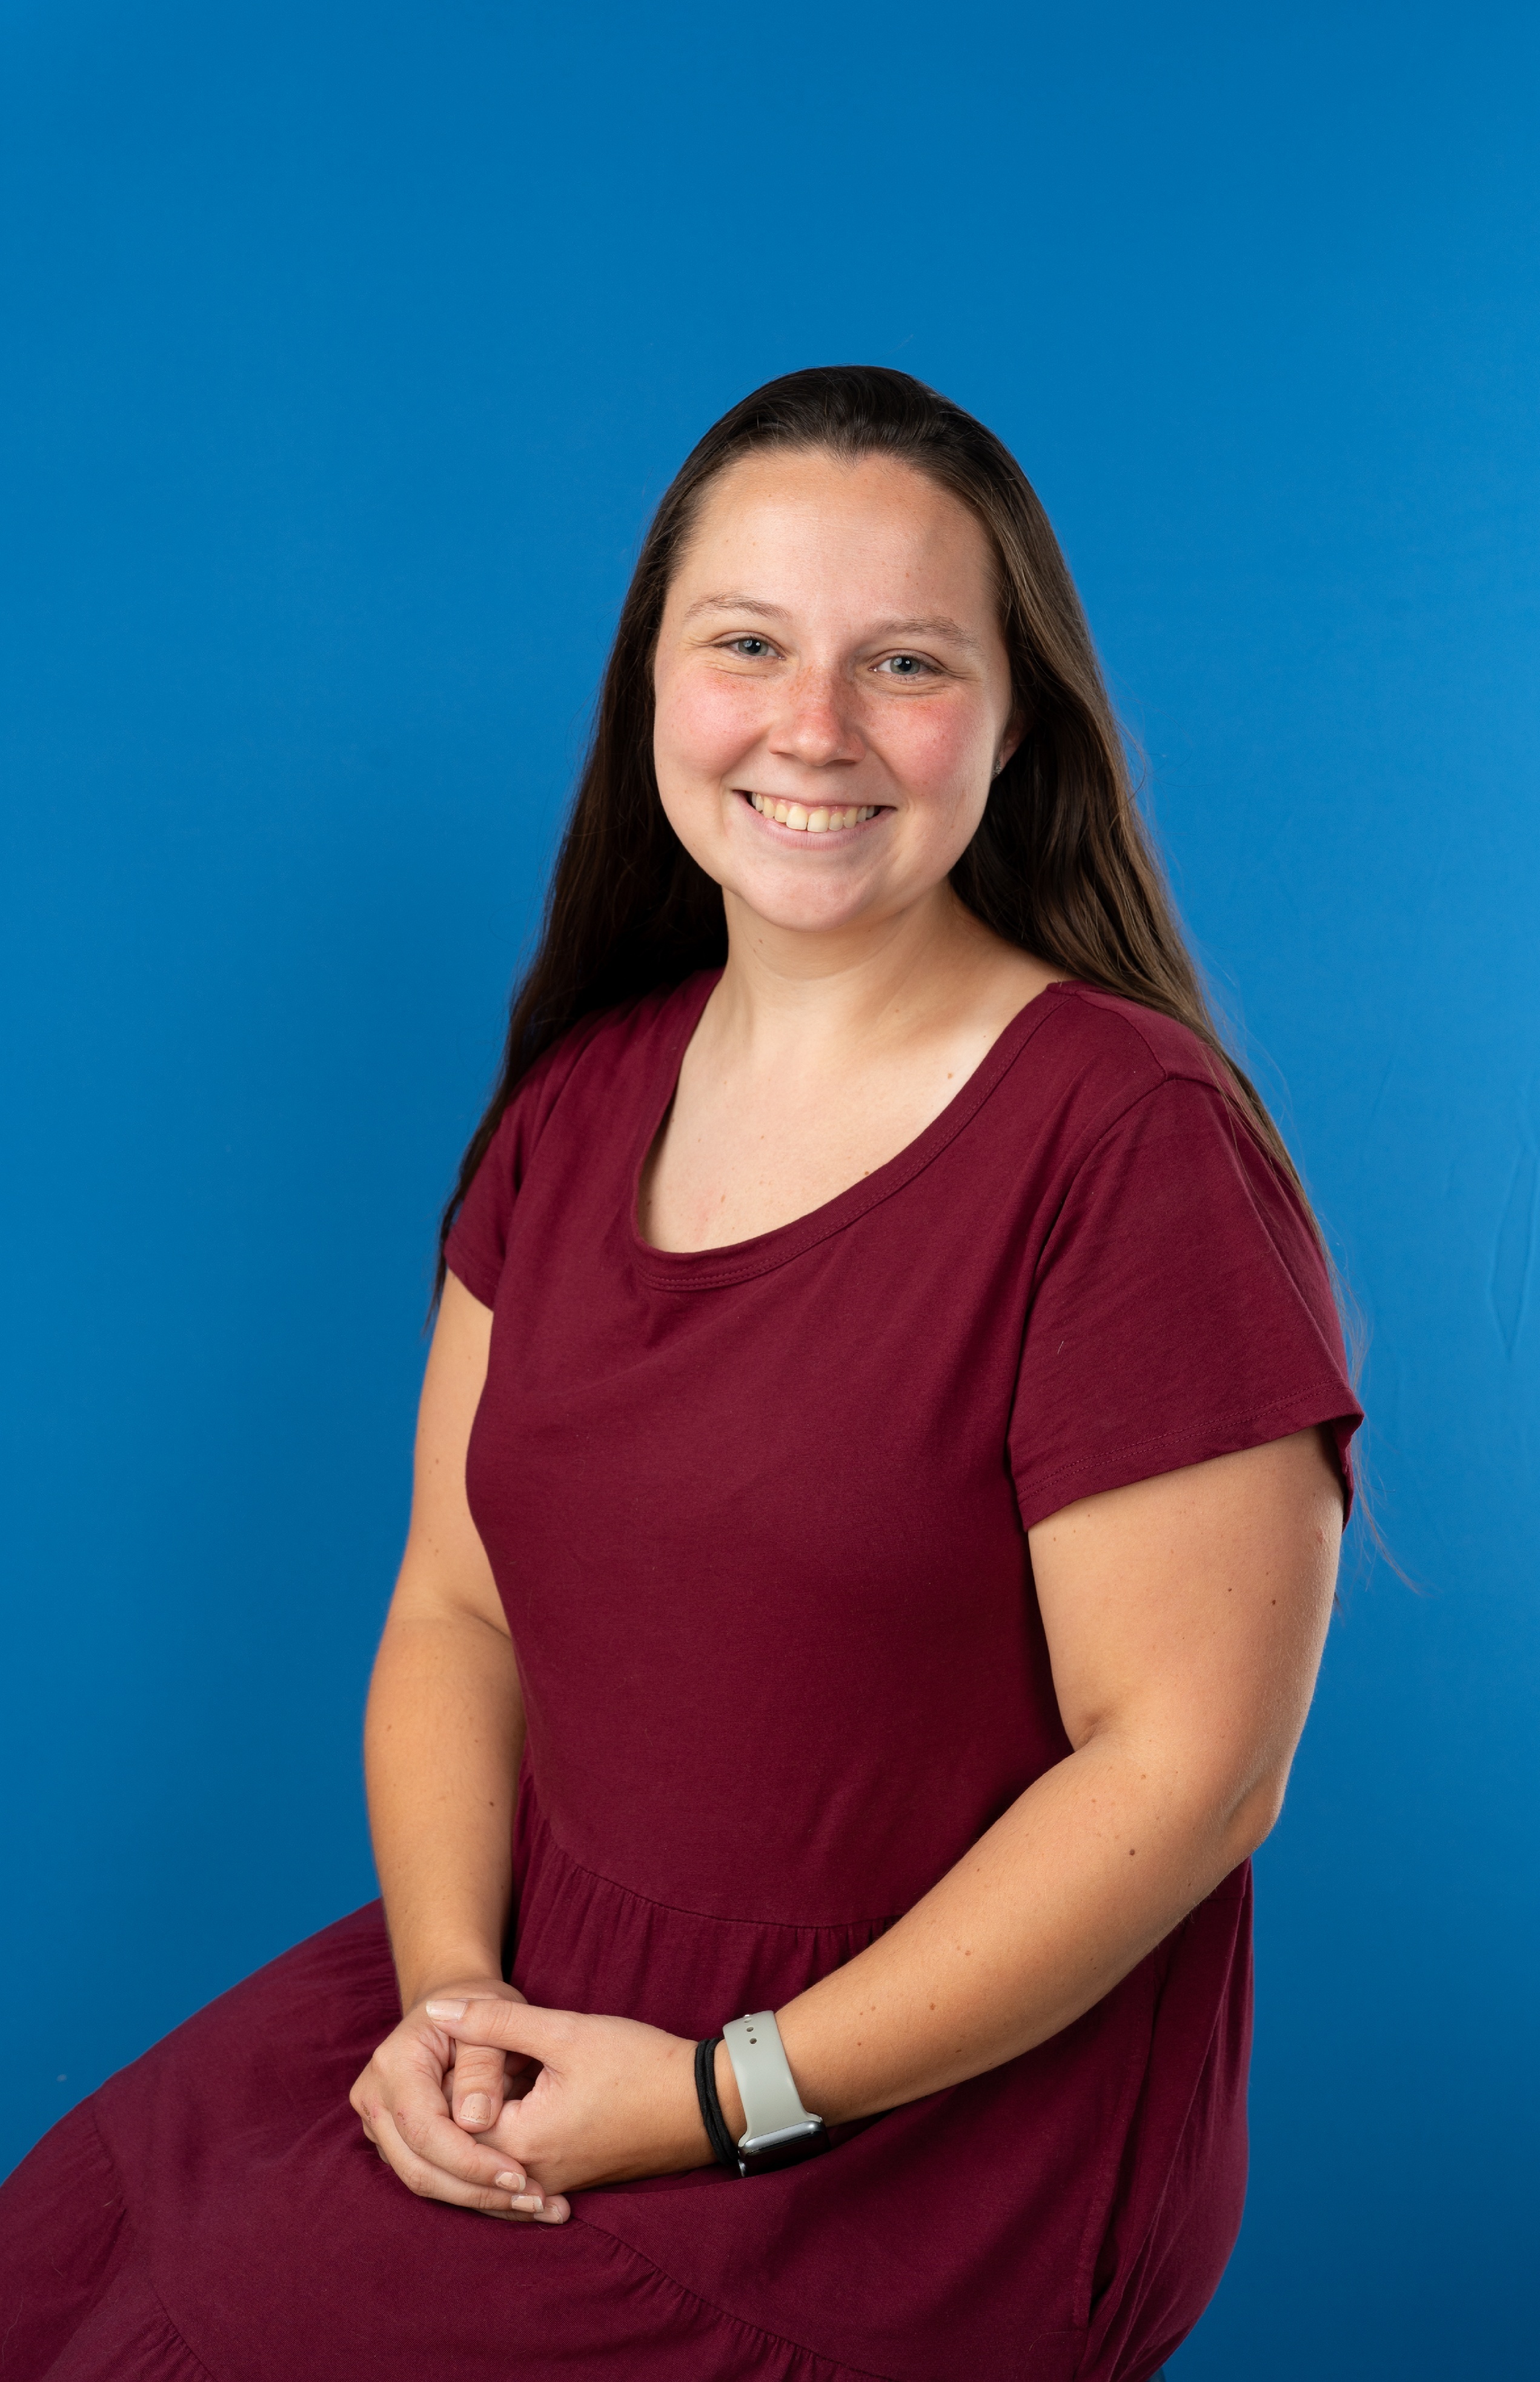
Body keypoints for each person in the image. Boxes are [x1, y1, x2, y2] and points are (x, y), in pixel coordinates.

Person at [0, 366, 1359, 2382]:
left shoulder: (1128, 1144)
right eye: (747, 645)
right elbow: (455, 1609)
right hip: (554, 2013)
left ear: (1014, 723)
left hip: (908, 2135)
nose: (814, 726)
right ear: (654, 685)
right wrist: (452, 2003)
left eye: (905, 661)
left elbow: (1194, 1768)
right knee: (59, 2267)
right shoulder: (575, 1106)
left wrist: (729, 2091)